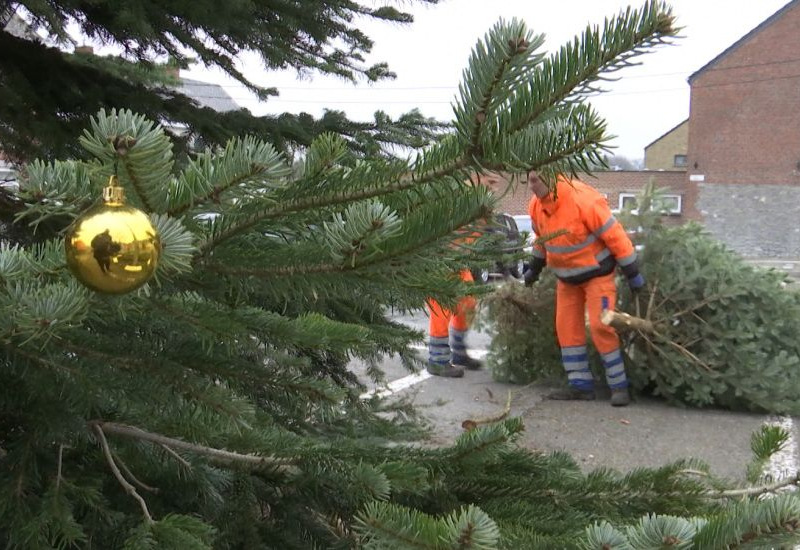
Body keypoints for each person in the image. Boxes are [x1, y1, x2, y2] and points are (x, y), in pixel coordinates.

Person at [523, 171, 645, 406]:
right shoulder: (536, 206)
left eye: (535, 179)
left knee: (601, 325)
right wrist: (534, 269)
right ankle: (580, 387)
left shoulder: (582, 200)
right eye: (528, 180)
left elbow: (615, 236)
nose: (530, 185)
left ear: (551, 177)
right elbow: (541, 241)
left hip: (598, 276)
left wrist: (633, 273)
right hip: (567, 281)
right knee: (566, 329)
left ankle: (619, 387)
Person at [425, 171, 506, 378]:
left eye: (496, 184)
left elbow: (481, 233)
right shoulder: (458, 198)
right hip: (440, 263)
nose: (494, 188)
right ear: (476, 176)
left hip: (460, 265)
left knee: (468, 304)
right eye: (491, 182)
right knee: (441, 310)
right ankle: (438, 360)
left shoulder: (481, 204)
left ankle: (459, 352)